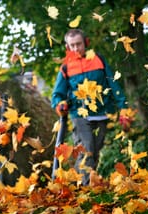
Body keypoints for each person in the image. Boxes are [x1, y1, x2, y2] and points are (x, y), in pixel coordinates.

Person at [51, 29, 131, 185]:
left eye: (78, 44)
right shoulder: (66, 67)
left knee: (94, 151)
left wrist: (123, 109)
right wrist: (60, 104)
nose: (76, 48)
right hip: (79, 114)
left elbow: (113, 84)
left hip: (102, 112)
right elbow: (57, 94)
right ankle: (87, 188)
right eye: (72, 45)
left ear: (85, 43)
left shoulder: (98, 59)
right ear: (67, 47)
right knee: (87, 149)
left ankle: (77, 183)